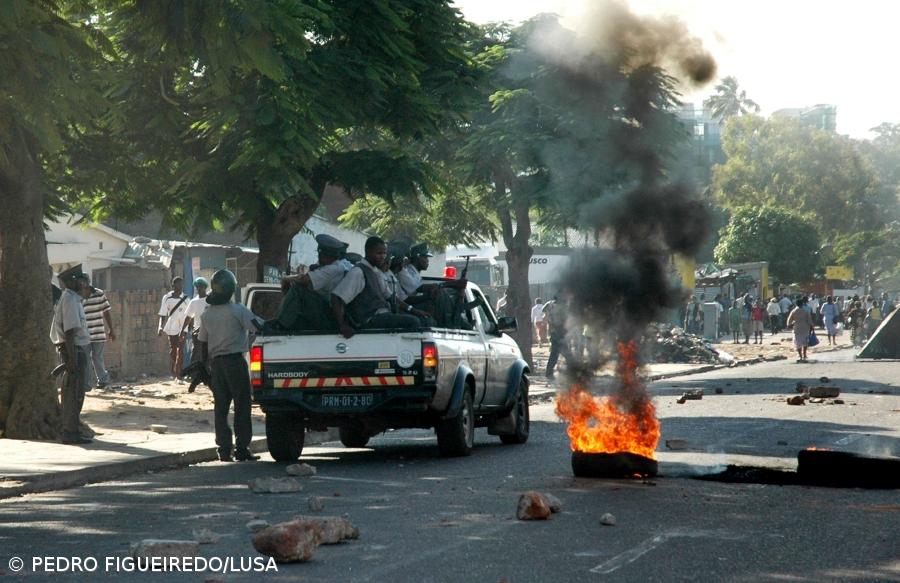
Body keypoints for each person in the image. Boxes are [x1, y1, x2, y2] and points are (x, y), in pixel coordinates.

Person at [198, 269, 262, 462]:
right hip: (235, 362)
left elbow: (202, 343)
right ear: (231, 290)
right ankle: (242, 448)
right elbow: (258, 326)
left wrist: (204, 368)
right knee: (242, 405)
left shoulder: (207, 314)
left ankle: (224, 450)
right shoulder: (238, 310)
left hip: (216, 364)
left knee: (221, 407)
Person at [331, 236, 427, 339]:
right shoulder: (358, 272)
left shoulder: (375, 272)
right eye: (379, 253)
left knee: (423, 319)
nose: (383, 257)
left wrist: (413, 310)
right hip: (370, 319)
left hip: (384, 315)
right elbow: (336, 297)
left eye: (384, 253)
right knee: (413, 322)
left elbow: (390, 296)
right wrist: (342, 325)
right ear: (368, 252)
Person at [271, 234, 349, 331]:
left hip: (330, 315)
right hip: (334, 314)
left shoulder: (333, 269)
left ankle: (279, 325)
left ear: (327, 255)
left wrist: (285, 279)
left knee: (299, 288)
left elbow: (303, 279)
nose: (319, 258)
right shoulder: (343, 265)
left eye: (321, 255)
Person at [51, 265, 92, 444]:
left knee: (77, 392)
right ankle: (69, 432)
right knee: (73, 393)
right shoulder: (69, 299)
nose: (84, 283)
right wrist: (72, 359)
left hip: (77, 349)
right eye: (81, 280)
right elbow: (69, 332)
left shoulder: (75, 298)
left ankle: (73, 429)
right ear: (73, 281)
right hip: (73, 350)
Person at [398, 242, 466, 327]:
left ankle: (457, 321)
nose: (427, 261)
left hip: (412, 304)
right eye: (425, 257)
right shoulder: (407, 271)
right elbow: (419, 288)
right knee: (440, 295)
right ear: (418, 257)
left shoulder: (414, 273)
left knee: (441, 294)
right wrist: (449, 284)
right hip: (406, 306)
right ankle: (452, 324)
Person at [80, 278, 115, 389]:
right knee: (86, 359)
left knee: (97, 358)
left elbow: (106, 312)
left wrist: (111, 329)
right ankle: (86, 383)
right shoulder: (78, 296)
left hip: (98, 332)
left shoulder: (99, 294)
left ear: (88, 283)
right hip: (84, 334)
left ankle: (103, 380)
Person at [158, 276, 190, 381]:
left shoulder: (186, 299)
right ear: (173, 285)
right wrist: (160, 327)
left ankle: (178, 374)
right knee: (173, 351)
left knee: (180, 350)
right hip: (171, 327)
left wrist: (188, 327)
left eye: (181, 284)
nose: (180, 286)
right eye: (178, 284)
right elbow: (162, 314)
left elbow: (190, 315)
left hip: (182, 327)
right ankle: (174, 369)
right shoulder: (167, 298)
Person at [180, 277, 210, 367]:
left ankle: (207, 373)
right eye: (197, 287)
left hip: (210, 331)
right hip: (198, 331)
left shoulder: (211, 300)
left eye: (200, 286)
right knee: (196, 352)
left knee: (208, 352)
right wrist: (182, 331)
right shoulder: (193, 302)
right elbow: (188, 317)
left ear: (205, 287)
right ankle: (193, 373)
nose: (198, 288)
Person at [543, 296, 572, 379]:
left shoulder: (549, 304)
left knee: (555, 354)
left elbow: (544, 315)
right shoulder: (562, 306)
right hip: (559, 332)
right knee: (565, 354)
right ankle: (573, 372)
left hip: (554, 332)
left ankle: (549, 373)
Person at [786, 296, 814, 362]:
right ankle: (804, 355)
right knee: (805, 342)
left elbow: (789, 321)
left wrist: (789, 325)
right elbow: (809, 321)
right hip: (805, 329)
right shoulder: (805, 311)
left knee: (798, 343)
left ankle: (800, 356)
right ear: (802, 304)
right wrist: (812, 326)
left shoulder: (793, 311)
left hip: (797, 329)